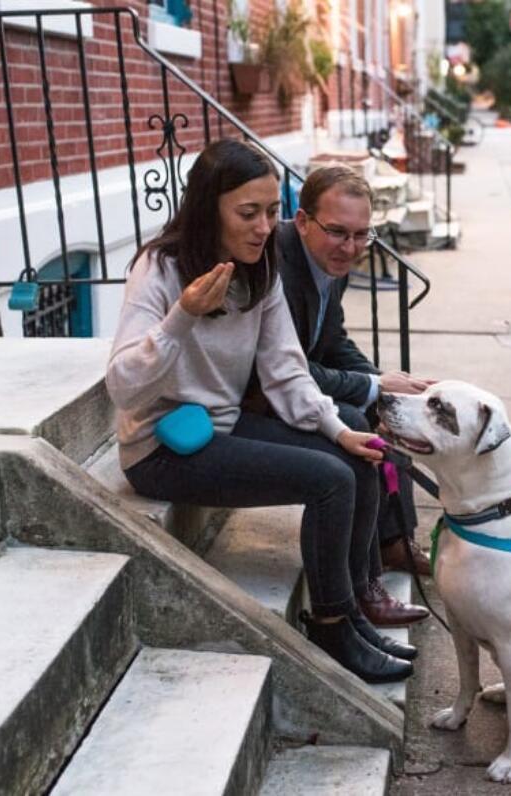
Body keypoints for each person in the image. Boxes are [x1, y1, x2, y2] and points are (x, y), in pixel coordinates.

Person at [106, 140, 413, 684]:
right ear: (209, 208)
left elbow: (286, 371)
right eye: (248, 213)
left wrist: (340, 430)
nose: (264, 227)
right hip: (162, 446)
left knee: (357, 453)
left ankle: (355, 609)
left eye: (272, 212)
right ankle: (332, 626)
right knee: (327, 481)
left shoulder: (261, 268)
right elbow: (124, 387)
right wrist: (183, 316)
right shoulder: (160, 268)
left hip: (221, 426)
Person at [272, 164, 434, 626]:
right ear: (302, 221)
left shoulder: (330, 259)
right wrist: (374, 385)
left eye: (362, 235)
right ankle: (362, 583)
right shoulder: (279, 269)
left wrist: (383, 382)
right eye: (339, 232)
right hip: (264, 396)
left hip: (301, 383)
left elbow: (334, 341)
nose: (351, 247)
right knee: (358, 419)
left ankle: (395, 541)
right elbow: (291, 369)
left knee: (388, 406)